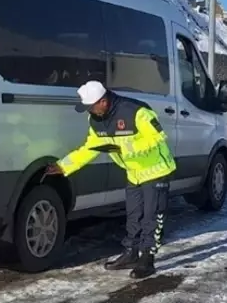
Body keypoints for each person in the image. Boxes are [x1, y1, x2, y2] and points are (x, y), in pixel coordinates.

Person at [45, 80, 177, 277]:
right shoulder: (96, 120)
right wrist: (63, 166)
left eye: (91, 107)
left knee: (151, 217)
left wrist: (124, 148)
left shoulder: (137, 112)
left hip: (156, 170)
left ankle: (147, 260)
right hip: (134, 173)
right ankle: (131, 253)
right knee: (133, 216)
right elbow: (89, 149)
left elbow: (157, 138)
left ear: (103, 102)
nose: (89, 112)